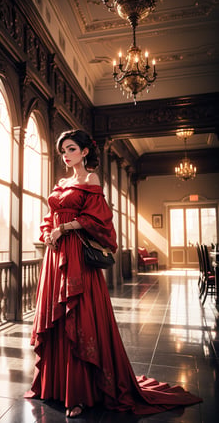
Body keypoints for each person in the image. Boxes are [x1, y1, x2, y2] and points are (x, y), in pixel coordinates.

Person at [24, 129, 202, 418]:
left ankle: (79, 393)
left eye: (71, 149)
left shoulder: (90, 180)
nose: (66, 156)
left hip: (77, 257)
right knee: (57, 319)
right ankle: (54, 386)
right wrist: (48, 232)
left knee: (79, 318)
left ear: (84, 152)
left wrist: (64, 228)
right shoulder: (62, 182)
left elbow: (99, 220)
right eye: (63, 152)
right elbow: (50, 217)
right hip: (55, 256)